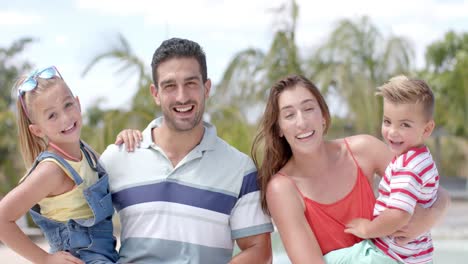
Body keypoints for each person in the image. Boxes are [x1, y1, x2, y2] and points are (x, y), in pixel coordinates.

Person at [100, 37, 274, 264]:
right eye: (170, 86)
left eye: (191, 83)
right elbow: (81, 229)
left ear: (207, 88)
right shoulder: (118, 158)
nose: (182, 96)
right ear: (155, 93)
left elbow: (259, 251)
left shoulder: (240, 169)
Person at [250, 74, 449, 264]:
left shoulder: (364, 150)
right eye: (289, 115)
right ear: (279, 129)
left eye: (309, 109)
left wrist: (430, 217)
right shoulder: (282, 189)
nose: (302, 122)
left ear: (323, 116)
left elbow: (434, 189)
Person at [0, 66, 119, 264]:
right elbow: (2, 218)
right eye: (52, 116)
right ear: (37, 130)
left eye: (67, 105)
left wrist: (126, 138)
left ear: (78, 104)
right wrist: (45, 259)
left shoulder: (86, 153)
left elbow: (116, 169)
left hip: (106, 256)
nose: (65, 118)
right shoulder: (52, 169)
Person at [324, 76, 440, 263]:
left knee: (328, 260)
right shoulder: (422, 158)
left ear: (427, 129)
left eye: (405, 124)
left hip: (389, 256)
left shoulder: (407, 167)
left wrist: (367, 229)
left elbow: (399, 215)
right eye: (387, 121)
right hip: (414, 255)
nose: (392, 131)